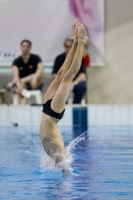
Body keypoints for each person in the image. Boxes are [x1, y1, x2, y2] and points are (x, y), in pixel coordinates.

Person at [40, 22, 89, 170]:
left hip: (48, 112)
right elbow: (66, 172)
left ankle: (77, 42)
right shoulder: (62, 160)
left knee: (63, 75)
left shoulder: (57, 159)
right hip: (53, 114)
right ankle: (79, 43)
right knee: (66, 76)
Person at [7, 40, 44, 104]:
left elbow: (40, 68)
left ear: (30, 48)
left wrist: (35, 78)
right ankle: (22, 107)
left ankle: (13, 83)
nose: (25, 48)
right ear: (21, 47)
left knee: (39, 74)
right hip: (23, 84)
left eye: (27, 46)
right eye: (24, 46)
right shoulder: (16, 61)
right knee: (21, 86)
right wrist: (19, 84)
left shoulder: (36, 58)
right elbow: (15, 75)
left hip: (34, 83)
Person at [52, 38, 86, 104]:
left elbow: (82, 74)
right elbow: (54, 73)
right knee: (58, 87)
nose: (69, 48)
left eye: (71, 47)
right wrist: (64, 81)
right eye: (67, 47)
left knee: (82, 87)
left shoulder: (80, 58)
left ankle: (76, 105)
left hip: (75, 81)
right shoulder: (59, 58)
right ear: (65, 47)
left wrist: (74, 83)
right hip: (62, 81)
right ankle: (63, 105)